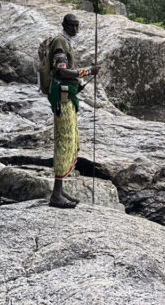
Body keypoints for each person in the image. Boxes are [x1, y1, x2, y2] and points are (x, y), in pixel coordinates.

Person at [47, 13, 99, 209]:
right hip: (62, 98)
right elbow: (61, 71)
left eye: (77, 26)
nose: (75, 29)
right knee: (65, 140)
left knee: (71, 140)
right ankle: (56, 194)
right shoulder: (61, 43)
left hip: (68, 96)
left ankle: (59, 189)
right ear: (64, 25)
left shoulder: (65, 42)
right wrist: (87, 71)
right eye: (71, 25)